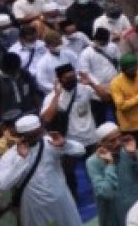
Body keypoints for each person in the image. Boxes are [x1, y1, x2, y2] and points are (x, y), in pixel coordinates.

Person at [0, 114, 86, 226]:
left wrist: (65, 144)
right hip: (34, 207)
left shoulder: (50, 142)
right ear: (21, 136)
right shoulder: (10, 156)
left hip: (61, 201)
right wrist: (22, 160)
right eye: (32, 136)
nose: (37, 138)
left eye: (38, 133)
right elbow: (2, 185)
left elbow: (81, 150)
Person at [40, 63, 108, 196]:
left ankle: (101, 193)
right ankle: (73, 197)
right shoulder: (53, 96)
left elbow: (106, 98)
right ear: (59, 80)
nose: (72, 80)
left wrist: (91, 83)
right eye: (67, 78)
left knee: (96, 168)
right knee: (68, 173)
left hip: (91, 138)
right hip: (70, 142)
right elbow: (46, 118)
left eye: (73, 76)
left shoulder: (84, 88)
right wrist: (56, 95)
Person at [86, 121, 138, 226]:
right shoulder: (93, 162)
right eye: (112, 141)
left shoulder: (128, 151)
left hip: (137, 210)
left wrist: (136, 155)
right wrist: (110, 165)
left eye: (119, 138)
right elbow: (106, 192)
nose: (118, 143)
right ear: (101, 144)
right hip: (113, 216)